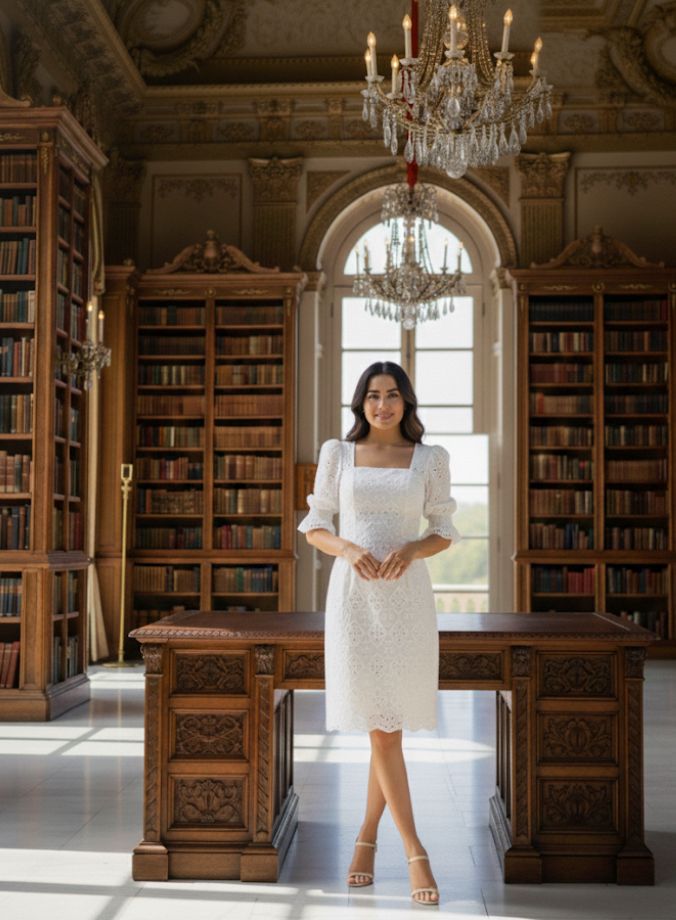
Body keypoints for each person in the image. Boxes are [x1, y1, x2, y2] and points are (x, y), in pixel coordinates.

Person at [298, 360, 461, 906]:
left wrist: (412, 549)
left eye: (392, 395)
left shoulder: (431, 458)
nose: (382, 405)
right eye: (373, 395)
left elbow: (443, 531)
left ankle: (367, 840)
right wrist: (347, 547)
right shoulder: (337, 454)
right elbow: (315, 525)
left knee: (385, 728)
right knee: (381, 729)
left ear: (406, 401)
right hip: (354, 601)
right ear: (360, 402)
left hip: (407, 601)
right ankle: (415, 852)